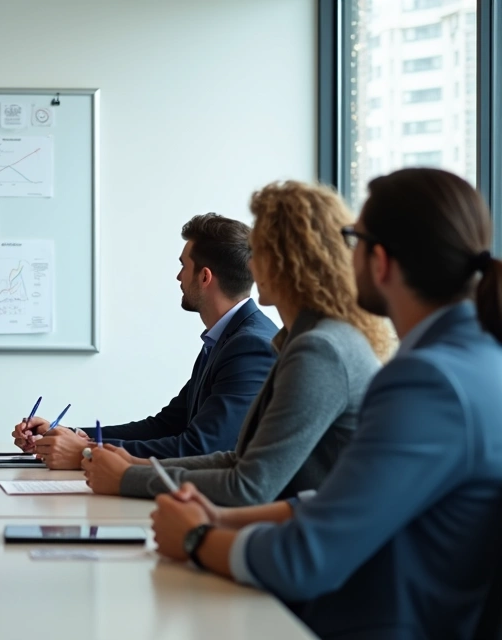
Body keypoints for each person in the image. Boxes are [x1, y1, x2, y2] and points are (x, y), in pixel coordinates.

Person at [151, 168, 502, 639]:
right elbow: (349, 497)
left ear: (379, 260)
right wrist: (222, 517)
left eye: (353, 239)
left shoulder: (426, 381)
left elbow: (305, 560)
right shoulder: (477, 358)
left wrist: (197, 539)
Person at [83, 182, 391, 505]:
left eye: (258, 252)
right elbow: (238, 460)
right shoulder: (303, 340)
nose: (251, 267)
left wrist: (127, 477)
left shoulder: (318, 350)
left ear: (287, 262)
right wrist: (133, 465)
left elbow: (249, 485)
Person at [13, 213, 277, 466]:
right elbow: (165, 425)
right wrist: (67, 434)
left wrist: (86, 451)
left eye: (183, 266)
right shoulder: (223, 339)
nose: (178, 276)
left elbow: (200, 447)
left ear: (205, 276)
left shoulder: (249, 346)